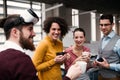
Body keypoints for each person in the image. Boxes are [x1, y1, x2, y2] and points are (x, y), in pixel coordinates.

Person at [0, 9, 39, 80]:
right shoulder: (22, 61)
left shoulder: (1, 55)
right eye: (30, 29)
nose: (34, 34)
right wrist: (66, 77)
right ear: (15, 32)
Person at [92, 14, 120, 80]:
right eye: (101, 25)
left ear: (112, 25)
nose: (103, 27)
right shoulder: (102, 39)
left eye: (106, 25)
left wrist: (109, 66)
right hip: (100, 76)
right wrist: (96, 61)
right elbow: (100, 55)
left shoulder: (118, 41)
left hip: (114, 77)